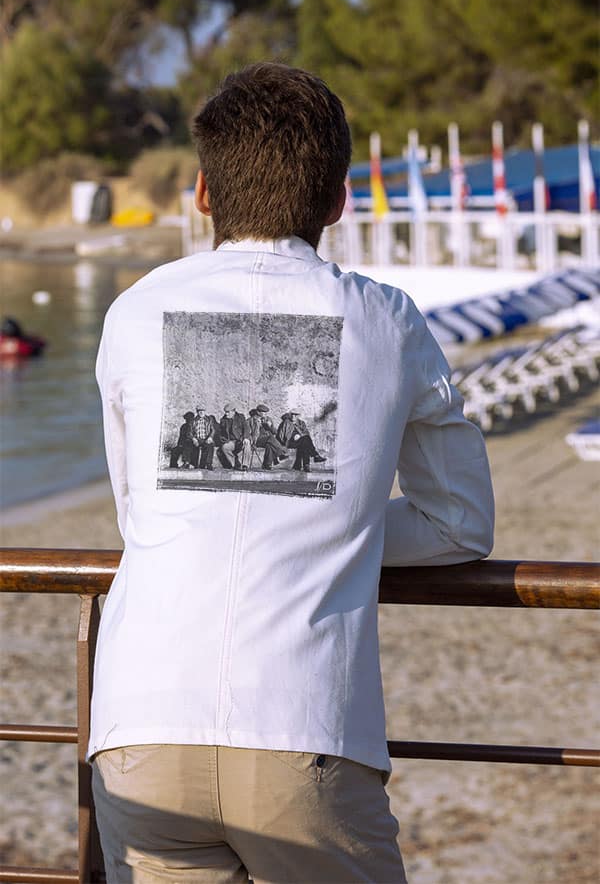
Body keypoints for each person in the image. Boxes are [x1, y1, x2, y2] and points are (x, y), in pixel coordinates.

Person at [91, 63, 494, 884]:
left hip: (139, 729)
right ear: (340, 200)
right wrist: (327, 530)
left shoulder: (134, 310)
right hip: (301, 727)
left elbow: (142, 516)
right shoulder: (388, 320)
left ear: (202, 192)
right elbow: (460, 524)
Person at [248, 403, 289, 470]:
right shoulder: (251, 420)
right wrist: (251, 442)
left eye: (266, 413)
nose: (266, 415)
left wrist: (270, 427)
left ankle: (267, 465)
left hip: (268, 439)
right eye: (264, 413)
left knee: (269, 445)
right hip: (257, 440)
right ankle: (282, 453)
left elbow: (275, 432)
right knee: (270, 438)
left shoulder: (268, 419)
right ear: (258, 412)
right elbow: (248, 433)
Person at [218, 402, 252, 470]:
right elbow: (220, 433)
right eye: (225, 412)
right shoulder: (223, 420)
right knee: (225, 447)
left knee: (247, 444)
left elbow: (246, 428)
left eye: (228, 412)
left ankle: (245, 465)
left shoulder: (241, 417)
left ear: (233, 411)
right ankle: (235, 464)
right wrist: (224, 440)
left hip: (241, 440)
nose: (226, 414)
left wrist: (246, 438)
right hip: (231, 441)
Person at [192, 404, 219, 470]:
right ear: (197, 412)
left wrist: (210, 437)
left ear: (205, 411)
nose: (201, 412)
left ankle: (208, 464)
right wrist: (193, 438)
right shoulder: (193, 420)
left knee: (210, 445)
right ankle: (194, 464)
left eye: (203, 411)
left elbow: (213, 430)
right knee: (193, 445)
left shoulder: (209, 419)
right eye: (199, 411)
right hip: (197, 439)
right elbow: (189, 432)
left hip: (206, 438)